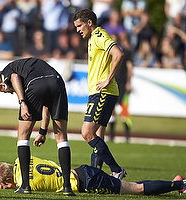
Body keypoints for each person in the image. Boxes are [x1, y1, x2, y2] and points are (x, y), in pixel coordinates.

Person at [0, 58, 75, 196]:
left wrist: (22, 102)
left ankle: (25, 185)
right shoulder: (27, 68)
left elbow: (14, 77)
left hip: (37, 83)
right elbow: (46, 104)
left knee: (23, 136)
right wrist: (43, 131)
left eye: (8, 91)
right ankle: (67, 187)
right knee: (61, 138)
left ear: (2, 85)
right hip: (58, 81)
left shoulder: (7, 72)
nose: (13, 92)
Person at [72, 8, 126, 178]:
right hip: (101, 92)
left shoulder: (99, 35)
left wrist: (108, 79)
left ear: (89, 23)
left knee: (87, 133)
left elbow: (118, 53)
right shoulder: (92, 39)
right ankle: (96, 174)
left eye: (80, 26)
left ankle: (117, 170)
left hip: (103, 92)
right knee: (97, 135)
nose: (78, 30)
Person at [0, 155, 186, 197]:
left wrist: (13, 186)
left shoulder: (30, 186)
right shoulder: (23, 160)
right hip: (83, 171)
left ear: (8, 180)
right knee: (129, 186)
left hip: (87, 182)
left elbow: (24, 185)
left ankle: (184, 183)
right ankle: (175, 183)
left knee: (135, 189)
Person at [108, 35, 133, 143]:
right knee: (111, 110)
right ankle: (111, 135)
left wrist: (128, 82)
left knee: (124, 110)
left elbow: (129, 68)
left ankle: (127, 135)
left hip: (122, 84)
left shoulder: (125, 53)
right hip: (112, 83)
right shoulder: (108, 53)